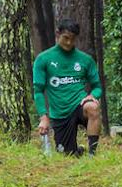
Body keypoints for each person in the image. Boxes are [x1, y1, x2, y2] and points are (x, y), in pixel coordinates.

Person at [32, 20, 103, 157]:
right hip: (60, 113)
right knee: (67, 154)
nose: (69, 43)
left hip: (79, 105)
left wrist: (93, 95)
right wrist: (43, 117)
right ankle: (77, 150)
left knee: (93, 107)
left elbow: (97, 87)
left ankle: (92, 154)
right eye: (66, 38)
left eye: (73, 39)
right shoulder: (43, 59)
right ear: (57, 34)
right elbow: (38, 91)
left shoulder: (85, 60)